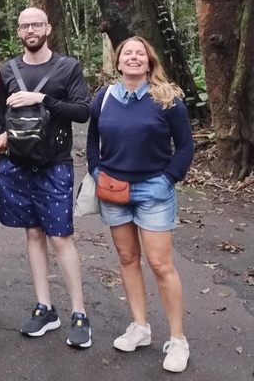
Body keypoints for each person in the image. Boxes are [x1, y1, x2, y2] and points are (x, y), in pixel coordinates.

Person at [87, 36, 193, 372]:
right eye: (127, 53)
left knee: (161, 264)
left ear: (149, 62)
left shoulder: (167, 99)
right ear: (117, 62)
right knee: (128, 257)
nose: (133, 58)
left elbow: (186, 147)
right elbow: (92, 138)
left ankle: (178, 340)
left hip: (153, 191)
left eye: (140, 54)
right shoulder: (104, 97)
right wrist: (95, 168)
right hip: (113, 190)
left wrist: (167, 179)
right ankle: (140, 327)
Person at [0, 7, 91, 347]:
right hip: (17, 165)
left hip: (54, 164)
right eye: (24, 25)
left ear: (48, 27)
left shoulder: (67, 67)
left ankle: (79, 312)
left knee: (61, 237)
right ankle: (44, 307)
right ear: (18, 32)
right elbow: (0, 113)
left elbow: (82, 111)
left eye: (36, 24)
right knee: (33, 234)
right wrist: (3, 134)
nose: (30, 29)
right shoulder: (8, 70)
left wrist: (43, 98)